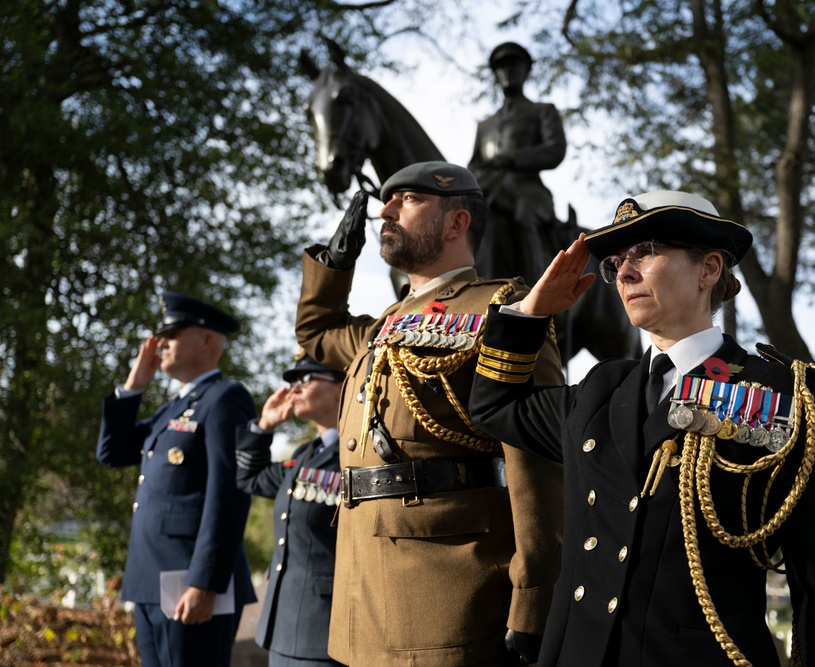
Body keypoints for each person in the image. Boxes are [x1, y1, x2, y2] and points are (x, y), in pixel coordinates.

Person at [468, 191, 815, 667]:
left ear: (709, 270)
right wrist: (531, 313)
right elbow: (493, 405)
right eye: (616, 261)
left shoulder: (782, 395)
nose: (623, 272)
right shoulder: (600, 390)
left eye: (645, 252)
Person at [295, 161, 565, 667]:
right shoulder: (384, 324)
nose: (386, 210)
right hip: (361, 593)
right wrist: (336, 261)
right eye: (387, 201)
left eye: (409, 200)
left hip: (449, 594)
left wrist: (533, 601)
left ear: (456, 223)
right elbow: (315, 333)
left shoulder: (502, 310)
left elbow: (537, 464)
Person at [96, 291, 257, 667]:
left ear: (206, 340)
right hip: (152, 582)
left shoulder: (224, 399)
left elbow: (228, 496)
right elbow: (112, 452)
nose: (160, 342)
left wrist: (205, 583)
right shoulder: (173, 407)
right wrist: (133, 387)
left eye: (172, 333)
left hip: (191, 585)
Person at [235, 349, 347, 667]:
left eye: (306, 379)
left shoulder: (360, 453)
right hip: (283, 627)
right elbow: (250, 478)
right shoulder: (305, 455)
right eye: (292, 381)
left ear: (343, 386)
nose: (293, 389)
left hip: (326, 630)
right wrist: (264, 425)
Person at [469, 41, 567, 284]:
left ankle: (538, 293)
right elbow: (474, 164)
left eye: (514, 65)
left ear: (527, 70)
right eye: (501, 67)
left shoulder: (542, 111)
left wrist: (513, 158)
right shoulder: (485, 125)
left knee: (525, 217)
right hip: (489, 191)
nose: (508, 71)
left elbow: (555, 150)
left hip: (527, 190)